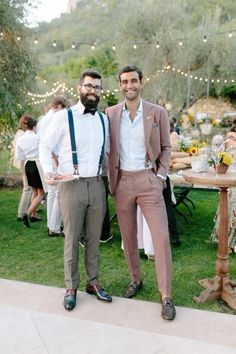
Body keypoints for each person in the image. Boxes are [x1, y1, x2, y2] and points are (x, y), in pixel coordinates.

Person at [106, 65, 176, 320]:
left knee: (161, 237)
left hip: (148, 180)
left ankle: (166, 295)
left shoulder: (157, 113)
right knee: (129, 237)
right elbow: (107, 148)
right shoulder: (111, 113)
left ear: (141, 82)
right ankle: (135, 280)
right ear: (120, 84)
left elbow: (167, 147)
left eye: (133, 81)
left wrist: (159, 176)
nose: (128, 86)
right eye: (124, 82)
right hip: (122, 181)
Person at [39, 70, 112, 311]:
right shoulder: (64, 117)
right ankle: (71, 286)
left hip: (97, 184)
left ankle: (93, 282)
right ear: (79, 88)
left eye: (97, 87)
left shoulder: (103, 119)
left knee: (94, 238)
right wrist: (49, 171)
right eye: (89, 86)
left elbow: (108, 152)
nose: (93, 90)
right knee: (71, 238)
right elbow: (45, 145)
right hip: (71, 185)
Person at [38, 96, 68, 237]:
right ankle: (55, 227)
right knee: (57, 193)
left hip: (45, 159)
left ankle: (51, 224)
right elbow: (50, 144)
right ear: (58, 106)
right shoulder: (54, 119)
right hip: (52, 159)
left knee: (51, 193)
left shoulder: (43, 119)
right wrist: (56, 160)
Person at [14, 114, 45, 228]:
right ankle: (27, 213)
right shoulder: (38, 138)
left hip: (28, 165)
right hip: (37, 165)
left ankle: (33, 215)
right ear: (35, 125)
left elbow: (19, 156)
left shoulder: (21, 139)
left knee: (34, 191)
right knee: (41, 193)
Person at [11, 116, 32, 221]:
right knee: (27, 188)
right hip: (23, 163)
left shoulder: (19, 133)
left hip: (23, 163)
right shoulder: (22, 135)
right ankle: (21, 213)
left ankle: (29, 209)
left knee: (30, 188)